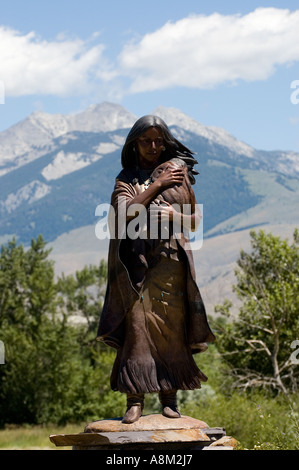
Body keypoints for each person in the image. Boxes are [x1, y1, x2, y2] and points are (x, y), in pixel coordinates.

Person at [97, 115, 215, 424]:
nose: (153, 146)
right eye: (146, 140)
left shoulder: (180, 174)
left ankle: (169, 397)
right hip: (136, 267)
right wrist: (158, 185)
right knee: (136, 330)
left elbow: (195, 222)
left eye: (158, 141)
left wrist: (175, 214)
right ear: (134, 143)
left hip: (170, 263)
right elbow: (123, 215)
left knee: (171, 330)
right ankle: (135, 398)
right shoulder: (126, 179)